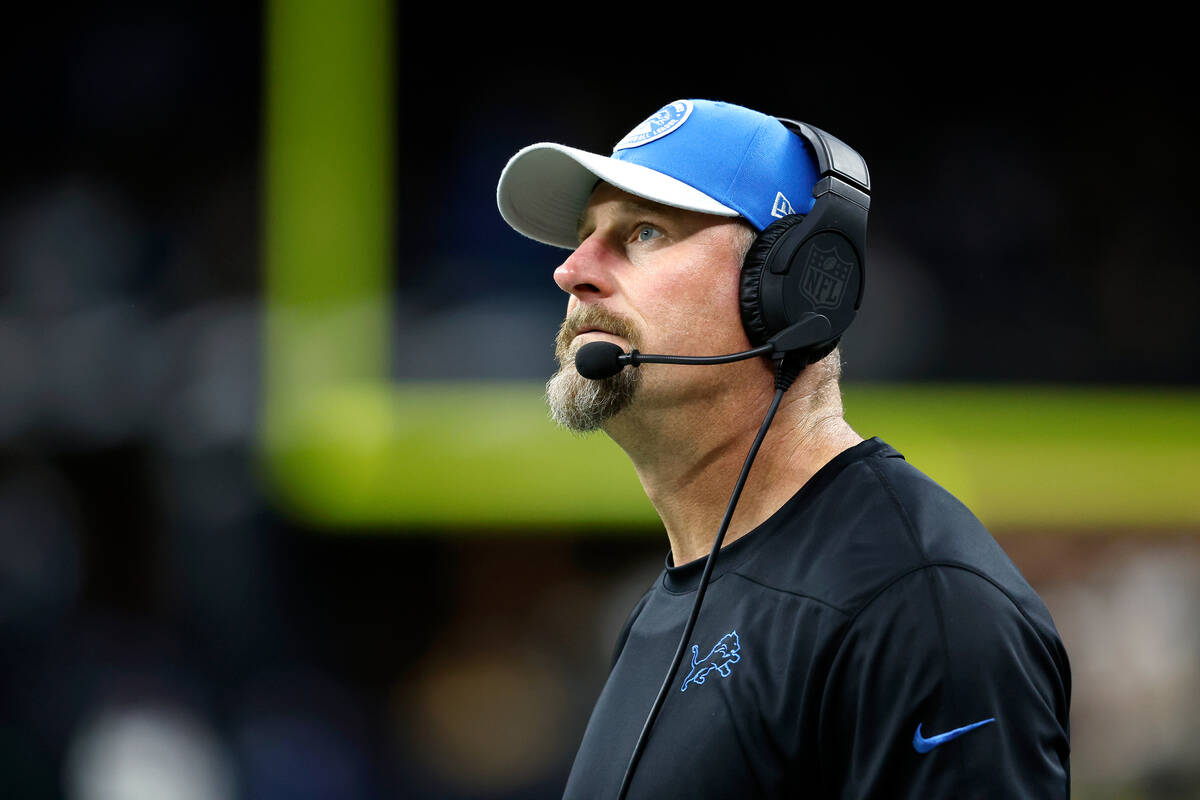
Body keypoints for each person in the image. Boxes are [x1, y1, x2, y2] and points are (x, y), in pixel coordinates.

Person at [496, 99, 1071, 799]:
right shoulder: (667, 608)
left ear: (795, 287)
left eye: (644, 232)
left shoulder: (918, 602)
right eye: (584, 235)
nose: (571, 271)